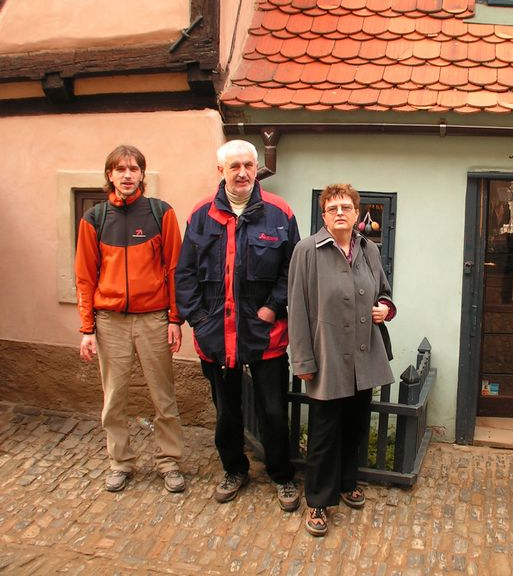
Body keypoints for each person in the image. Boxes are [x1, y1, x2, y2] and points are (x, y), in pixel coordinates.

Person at [175, 140, 300, 510]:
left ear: (257, 167)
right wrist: (198, 319)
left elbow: (291, 270)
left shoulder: (279, 212)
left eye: (248, 165)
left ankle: (282, 475)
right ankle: (234, 469)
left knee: (274, 411)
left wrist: (273, 307)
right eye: (234, 167)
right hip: (215, 335)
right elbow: (184, 274)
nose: (243, 172)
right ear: (221, 172)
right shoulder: (200, 215)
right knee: (226, 412)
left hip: (266, 334)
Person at [75, 145, 185, 493]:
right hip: (109, 321)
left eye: (133, 169)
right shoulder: (94, 218)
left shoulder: (159, 213)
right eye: (119, 169)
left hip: (153, 318)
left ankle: (169, 461)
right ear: (110, 175)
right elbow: (84, 277)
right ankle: (119, 462)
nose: (126, 175)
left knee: (163, 397)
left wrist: (174, 319)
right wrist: (87, 328)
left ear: (142, 174)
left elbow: (175, 269)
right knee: (113, 399)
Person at [288, 183, 396, 537]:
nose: (339, 212)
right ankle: (318, 501)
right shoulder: (307, 251)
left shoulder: (369, 249)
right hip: (327, 355)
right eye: (332, 207)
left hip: (363, 354)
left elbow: (383, 292)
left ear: (356, 213)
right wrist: (302, 359)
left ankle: (348, 482)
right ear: (323, 215)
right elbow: (298, 311)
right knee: (324, 432)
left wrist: (384, 308)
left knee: (355, 426)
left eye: (346, 207)